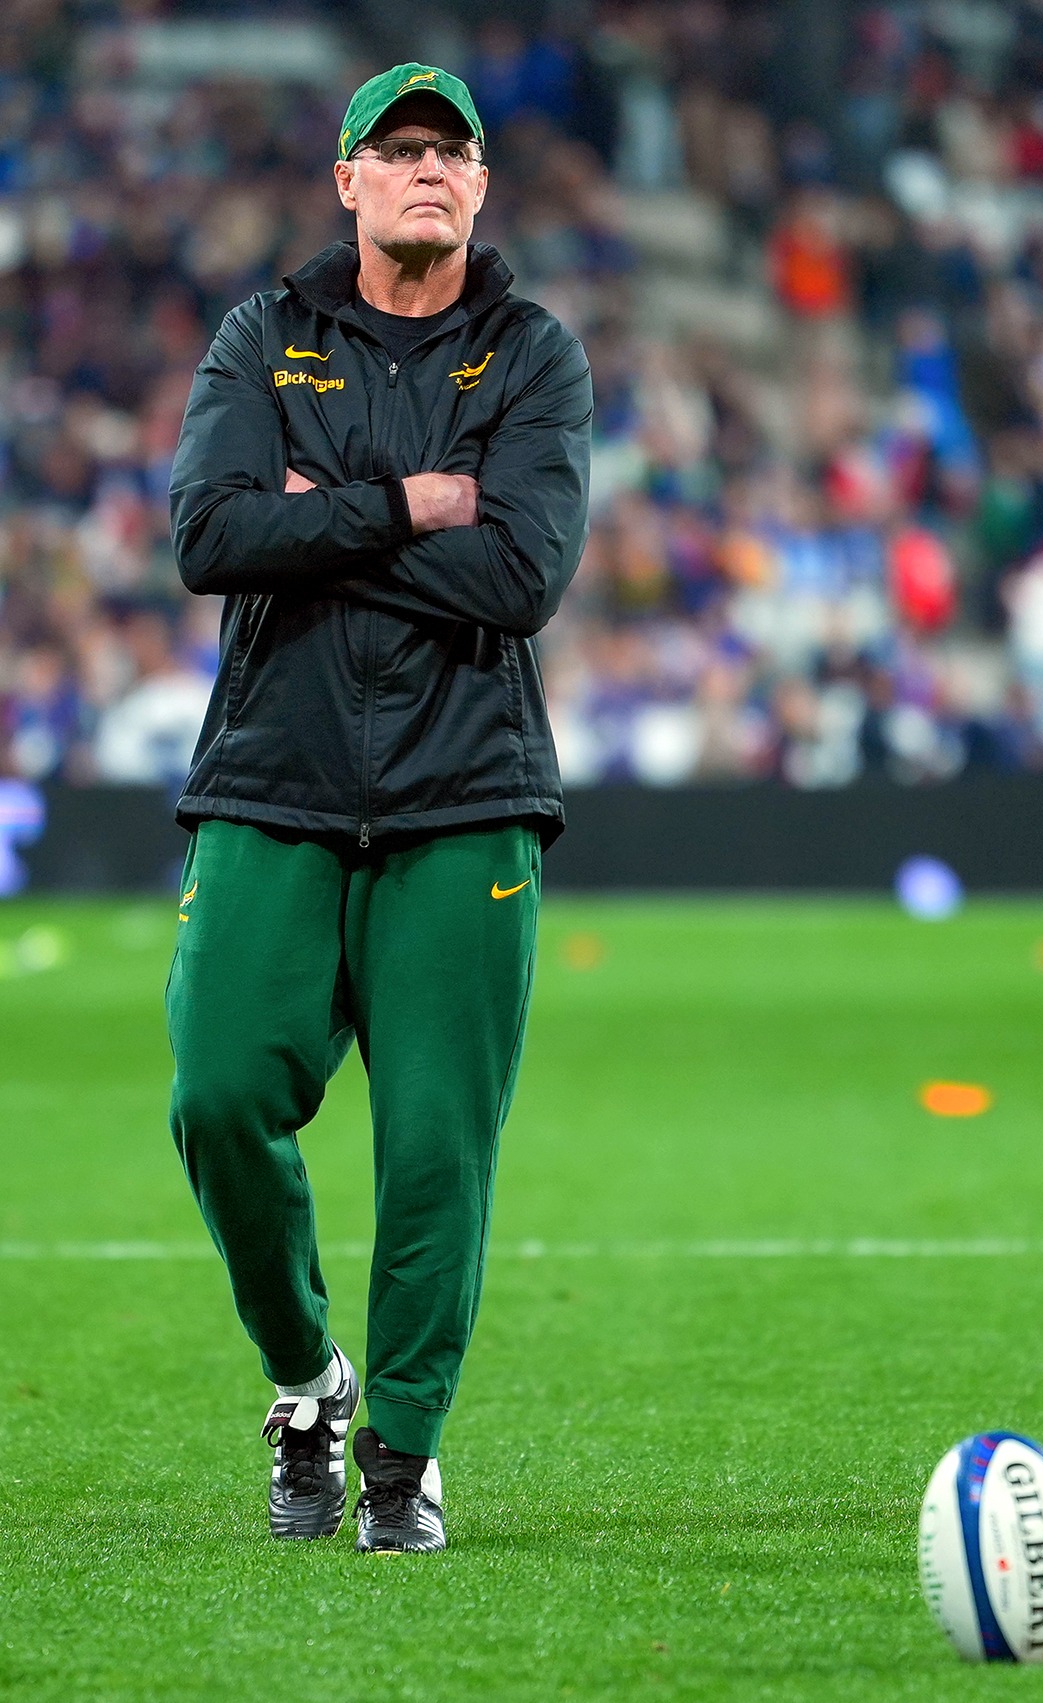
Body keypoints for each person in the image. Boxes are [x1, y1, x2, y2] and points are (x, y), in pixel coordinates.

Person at [166, 63, 592, 1554]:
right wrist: (413, 502)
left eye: (447, 151)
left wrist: (319, 517)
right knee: (217, 1097)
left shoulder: (531, 356)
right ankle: (307, 1382)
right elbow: (213, 534)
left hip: (464, 799)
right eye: (392, 148)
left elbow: (521, 579)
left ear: (479, 189)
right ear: (345, 180)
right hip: (269, 786)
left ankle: (400, 1457)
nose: (422, 168)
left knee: (434, 1153)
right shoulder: (260, 336)